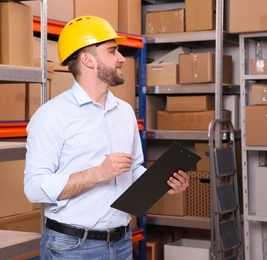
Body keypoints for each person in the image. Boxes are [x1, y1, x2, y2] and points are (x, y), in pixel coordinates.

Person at [24, 15, 189, 260]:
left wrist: (166, 181)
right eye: (112, 51)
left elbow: (132, 170)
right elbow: (34, 188)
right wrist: (98, 173)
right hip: (73, 247)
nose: (122, 58)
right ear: (88, 59)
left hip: (122, 242)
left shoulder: (124, 112)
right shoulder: (52, 116)